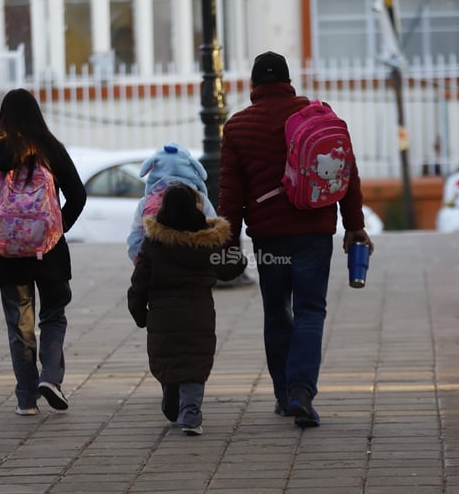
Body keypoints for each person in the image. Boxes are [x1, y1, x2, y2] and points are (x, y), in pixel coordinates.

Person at [218, 50, 374, 428]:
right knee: (310, 310)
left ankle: (284, 394)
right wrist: (354, 224)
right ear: (289, 81)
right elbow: (346, 171)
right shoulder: (321, 117)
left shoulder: (238, 127)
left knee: (277, 312)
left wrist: (228, 240)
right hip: (314, 233)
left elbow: (230, 193)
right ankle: (302, 391)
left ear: (254, 85)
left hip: (269, 239)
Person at [0, 88, 87, 416]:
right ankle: (50, 378)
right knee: (54, 314)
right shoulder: (50, 148)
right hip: (50, 253)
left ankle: (26, 399)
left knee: (20, 324)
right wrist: (57, 229)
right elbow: (78, 195)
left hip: (8, 253)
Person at [127, 184, 244, 435]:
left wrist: (139, 312)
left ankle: (172, 399)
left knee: (170, 360)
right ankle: (190, 412)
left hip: (162, 315)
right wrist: (237, 255)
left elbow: (140, 281)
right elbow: (229, 270)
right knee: (194, 362)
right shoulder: (206, 241)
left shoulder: (153, 242)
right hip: (198, 313)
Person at [126, 142, 217, 263]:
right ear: (190, 169)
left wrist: (140, 261)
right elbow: (214, 231)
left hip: (156, 267)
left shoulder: (146, 201)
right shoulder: (199, 199)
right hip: (194, 266)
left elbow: (135, 237)